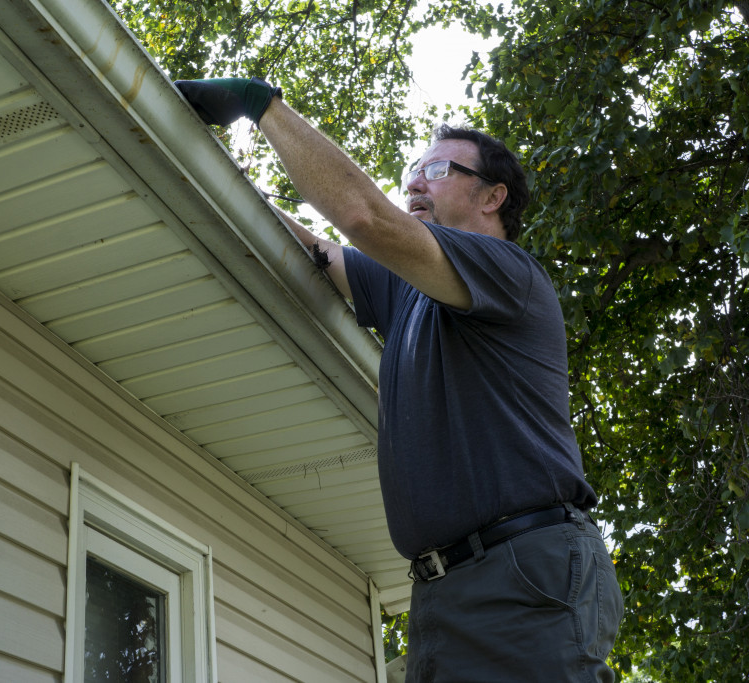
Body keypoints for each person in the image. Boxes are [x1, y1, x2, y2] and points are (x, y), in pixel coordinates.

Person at [174, 76, 624, 682]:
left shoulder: (509, 272)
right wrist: (205, 159)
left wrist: (259, 105)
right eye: (412, 169)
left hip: (523, 572)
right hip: (442, 587)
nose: (414, 181)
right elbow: (314, 250)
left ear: (492, 197)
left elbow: (364, 217)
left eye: (436, 169)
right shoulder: (407, 290)